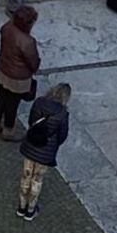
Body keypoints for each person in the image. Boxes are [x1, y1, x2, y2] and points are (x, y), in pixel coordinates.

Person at [17, 83, 71, 222]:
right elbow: (62, 135)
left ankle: (21, 207)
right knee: (37, 179)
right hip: (46, 151)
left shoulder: (39, 102)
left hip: (31, 145)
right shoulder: (62, 113)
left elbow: (31, 121)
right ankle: (30, 210)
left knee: (26, 175)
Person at [0, 5, 41, 141]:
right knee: (12, 104)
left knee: (1, 96)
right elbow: (33, 62)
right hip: (18, 78)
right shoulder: (27, 42)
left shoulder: (7, 28)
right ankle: (8, 131)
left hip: (3, 69)